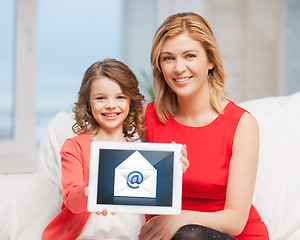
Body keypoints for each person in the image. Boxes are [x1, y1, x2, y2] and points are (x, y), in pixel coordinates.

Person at [139, 12, 269, 240]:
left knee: (189, 235)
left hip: (229, 236)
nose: (178, 68)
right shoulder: (147, 118)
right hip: (170, 236)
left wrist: (181, 219)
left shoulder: (241, 124)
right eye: (168, 58)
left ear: (210, 60)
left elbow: (236, 221)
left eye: (190, 56)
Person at [42, 59, 147, 239]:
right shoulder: (74, 147)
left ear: (131, 101)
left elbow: (152, 199)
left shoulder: (139, 152)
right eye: (100, 98)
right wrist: (86, 191)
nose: (111, 105)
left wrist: (174, 167)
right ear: (88, 103)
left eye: (120, 97)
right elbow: (72, 201)